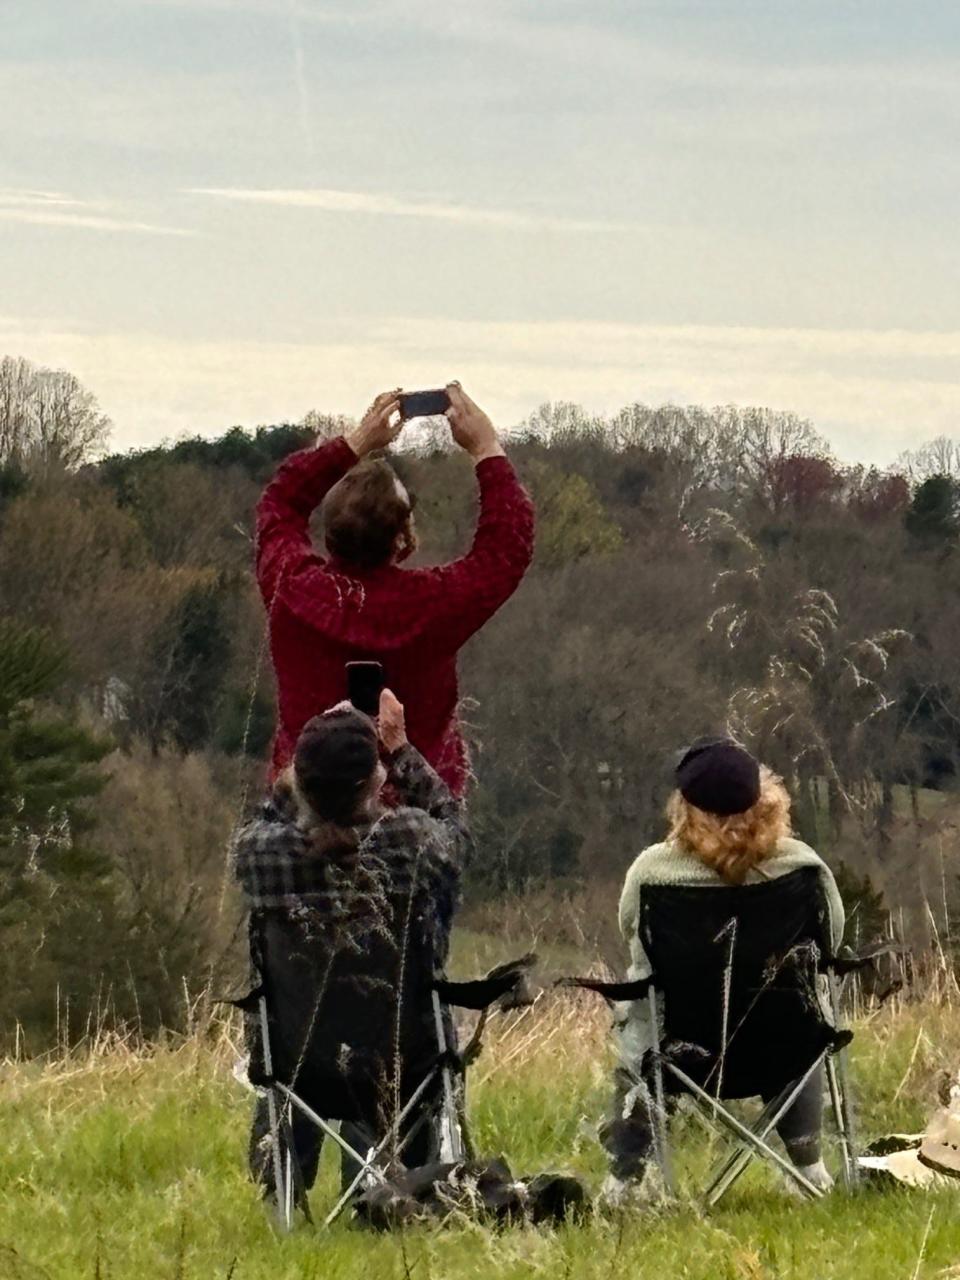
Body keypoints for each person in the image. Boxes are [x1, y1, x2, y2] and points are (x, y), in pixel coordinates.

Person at [232, 687, 468, 1198]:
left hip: (301, 1066)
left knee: (286, 1042)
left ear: (301, 781)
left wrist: (297, 770)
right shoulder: (410, 841)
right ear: (373, 781)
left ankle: (284, 1192)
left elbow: (258, 821)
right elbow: (456, 831)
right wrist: (401, 749)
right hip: (404, 1066)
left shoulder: (263, 856)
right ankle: (396, 1185)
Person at [255, 383, 535, 796]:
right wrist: (485, 448)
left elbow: (280, 503)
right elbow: (506, 547)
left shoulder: (293, 588)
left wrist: (354, 443)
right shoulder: (433, 605)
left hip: (305, 812)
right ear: (402, 537)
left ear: (329, 532)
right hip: (414, 821)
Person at [600, 737, 846, 1205]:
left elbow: (636, 947)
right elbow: (829, 944)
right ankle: (810, 1169)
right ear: (766, 801)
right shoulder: (803, 867)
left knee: (640, 1016)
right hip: (780, 1051)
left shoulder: (651, 874)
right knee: (804, 1010)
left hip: (681, 1056)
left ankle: (623, 1183)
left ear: (684, 810)